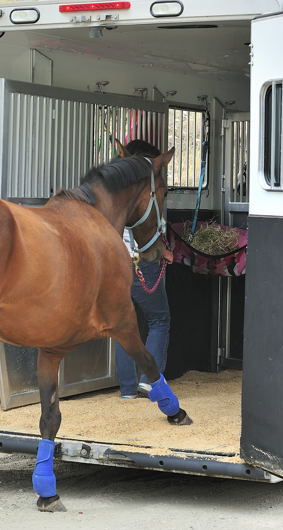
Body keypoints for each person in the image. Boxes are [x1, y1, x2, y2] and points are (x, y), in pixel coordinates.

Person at [114, 139, 171, 399]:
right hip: (142, 261)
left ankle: (127, 388)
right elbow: (147, 228)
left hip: (116, 262)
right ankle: (151, 382)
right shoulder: (147, 190)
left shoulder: (116, 189)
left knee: (125, 323)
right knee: (159, 319)